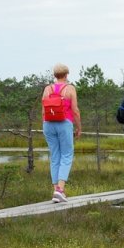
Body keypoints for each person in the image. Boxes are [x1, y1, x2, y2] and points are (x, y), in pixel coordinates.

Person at [41, 63, 81, 203]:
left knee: (55, 156)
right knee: (67, 155)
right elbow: (75, 110)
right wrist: (78, 127)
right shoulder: (70, 89)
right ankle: (60, 190)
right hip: (64, 123)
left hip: (48, 124)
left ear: (55, 75)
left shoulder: (47, 89)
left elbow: (43, 110)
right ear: (66, 75)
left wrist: (45, 124)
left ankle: (56, 190)